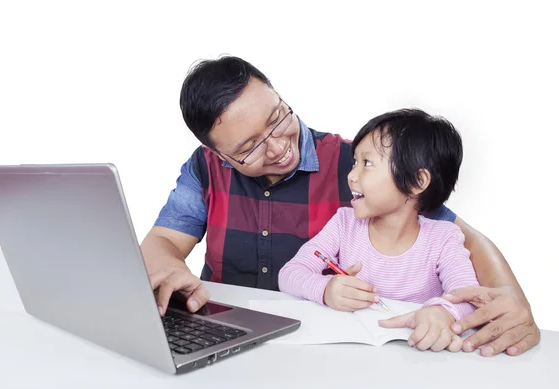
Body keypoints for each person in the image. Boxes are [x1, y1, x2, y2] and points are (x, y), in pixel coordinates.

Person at [140, 55, 540, 357]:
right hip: (224, 338)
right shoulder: (204, 168)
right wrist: (170, 268)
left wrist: (510, 299)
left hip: (328, 352)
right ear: (218, 155)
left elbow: (461, 236)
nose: (279, 147)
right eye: (250, 148)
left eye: (278, 118)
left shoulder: (359, 166)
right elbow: (161, 242)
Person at [278, 109, 479, 352]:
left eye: (367, 163)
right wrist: (325, 289)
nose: (351, 176)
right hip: (351, 355)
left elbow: (468, 297)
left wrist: (441, 313)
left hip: (415, 358)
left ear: (416, 182)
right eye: (354, 163)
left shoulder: (443, 238)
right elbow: (289, 274)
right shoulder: (344, 223)